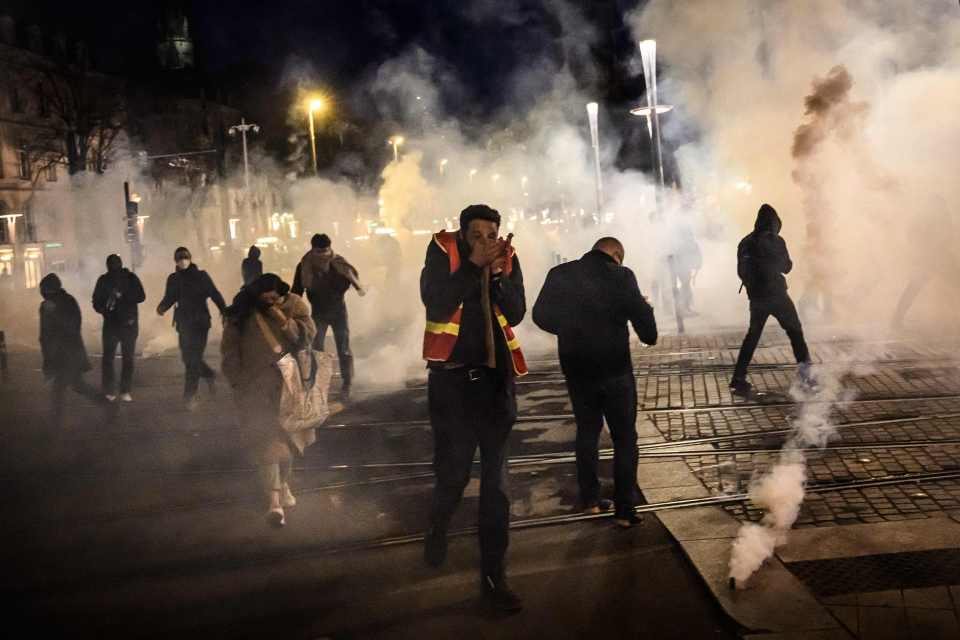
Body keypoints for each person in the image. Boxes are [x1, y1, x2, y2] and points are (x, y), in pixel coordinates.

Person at [420, 204, 526, 613]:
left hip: (496, 386)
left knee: (496, 487)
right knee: (453, 474)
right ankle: (438, 525)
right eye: (478, 234)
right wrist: (473, 268)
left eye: (492, 234)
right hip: (452, 386)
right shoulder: (441, 253)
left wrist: (498, 278)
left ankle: (494, 578)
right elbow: (435, 302)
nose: (486, 241)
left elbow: (516, 311)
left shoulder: (508, 259)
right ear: (463, 235)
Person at [533, 237, 657, 527]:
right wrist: (644, 308)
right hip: (615, 371)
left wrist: (568, 328)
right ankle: (625, 510)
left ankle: (590, 500)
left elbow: (540, 315)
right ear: (616, 255)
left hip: (577, 369)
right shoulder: (622, 276)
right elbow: (648, 334)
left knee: (587, 433)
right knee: (624, 438)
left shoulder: (560, 274)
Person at [222, 274, 317, 527]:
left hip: (289, 386)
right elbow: (229, 350)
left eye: (274, 296)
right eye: (265, 297)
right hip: (255, 389)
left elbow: (307, 337)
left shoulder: (295, 305)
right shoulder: (242, 312)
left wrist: (284, 321)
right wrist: (237, 381)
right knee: (267, 442)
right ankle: (274, 502)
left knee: (288, 444)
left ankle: (283, 483)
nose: (270, 300)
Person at [730, 204, 812, 396]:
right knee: (795, 333)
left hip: (757, 298)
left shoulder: (746, 242)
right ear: (774, 223)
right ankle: (807, 375)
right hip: (778, 296)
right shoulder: (776, 241)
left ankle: (738, 378)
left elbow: (741, 271)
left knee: (752, 337)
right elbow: (787, 267)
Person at [292, 233, 364, 402]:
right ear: (312, 249)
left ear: (330, 248)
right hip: (318, 312)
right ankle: (317, 383)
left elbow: (351, 278)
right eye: (319, 252)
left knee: (344, 348)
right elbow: (297, 290)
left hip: (338, 310)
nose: (322, 255)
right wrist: (293, 310)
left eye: (325, 251)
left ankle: (347, 383)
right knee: (317, 348)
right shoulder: (304, 265)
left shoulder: (338, 263)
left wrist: (337, 287)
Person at [156, 247, 227, 409]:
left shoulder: (201, 276)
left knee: (193, 360)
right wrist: (162, 308)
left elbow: (214, 294)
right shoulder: (173, 279)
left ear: (190, 258)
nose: (182, 261)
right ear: (175, 261)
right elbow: (170, 297)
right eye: (179, 258)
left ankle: (190, 395)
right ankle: (208, 374)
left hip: (200, 323)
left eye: (185, 257)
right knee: (187, 358)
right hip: (183, 323)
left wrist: (225, 312)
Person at [39, 273, 103, 426]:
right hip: (64, 353)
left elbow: (72, 327)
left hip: (66, 353)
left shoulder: (62, 303)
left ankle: (55, 421)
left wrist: (54, 314)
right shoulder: (58, 303)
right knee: (78, 385)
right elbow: (45, 334)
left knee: (59, 389)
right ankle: (106, 404)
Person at [92, 254, 146, 402]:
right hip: (115, 324)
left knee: (121, 358)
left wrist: (122, 296)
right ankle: (117, 390)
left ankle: (120, 390)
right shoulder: (104, 280)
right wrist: (104, 308)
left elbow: (141, 296)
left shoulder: (130, 278)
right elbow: (96, 301)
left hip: (126, 324)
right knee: (113, 358)